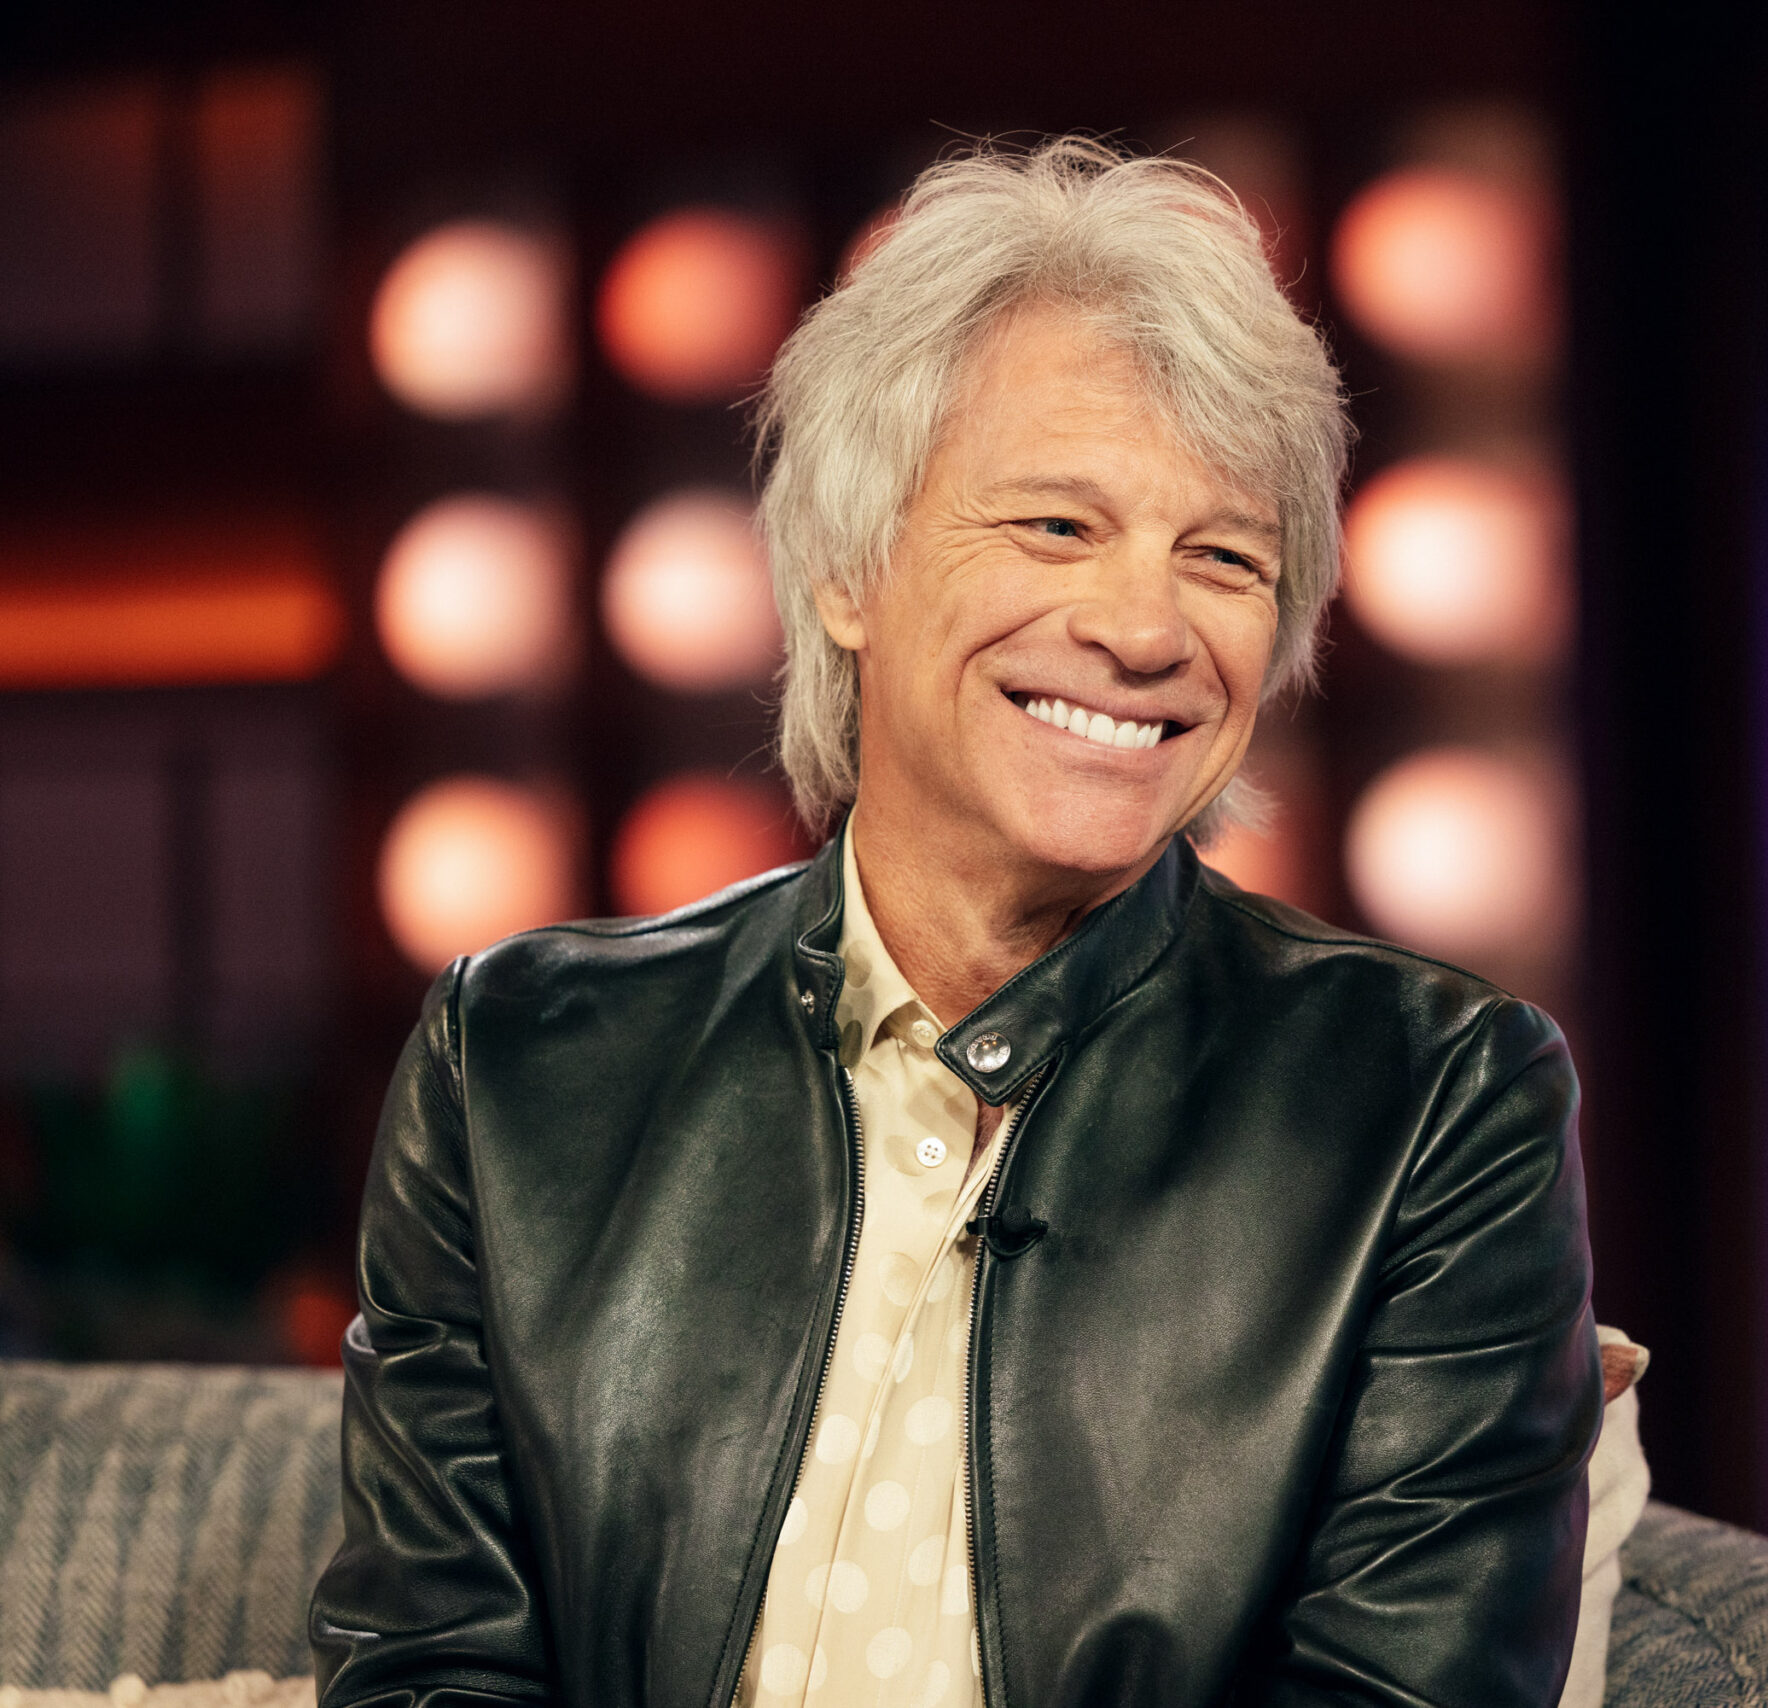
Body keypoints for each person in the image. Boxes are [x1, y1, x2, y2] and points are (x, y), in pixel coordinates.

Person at [311, 138, 1601, 1708]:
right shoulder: (517, 1068)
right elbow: (431, 1669)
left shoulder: (1433, 1103)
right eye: (1057, 527)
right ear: (848, 571)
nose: (1144, 627)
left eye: (1223, 557)